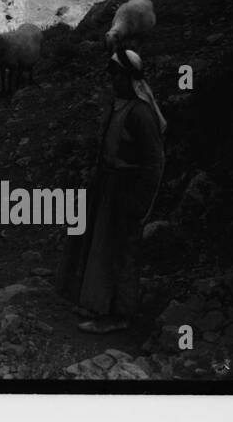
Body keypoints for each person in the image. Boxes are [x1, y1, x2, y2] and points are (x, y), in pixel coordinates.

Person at [56, 49, 167, 334]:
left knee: (121, 250)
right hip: (106, 186)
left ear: (129, 78)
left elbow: (154, 163)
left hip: (125, 189)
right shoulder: (118, 106)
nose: (112, 81)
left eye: (116, 75)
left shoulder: (141, 114)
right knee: (99, 245)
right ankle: (98, 302)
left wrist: (140, 203)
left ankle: (119, 314)